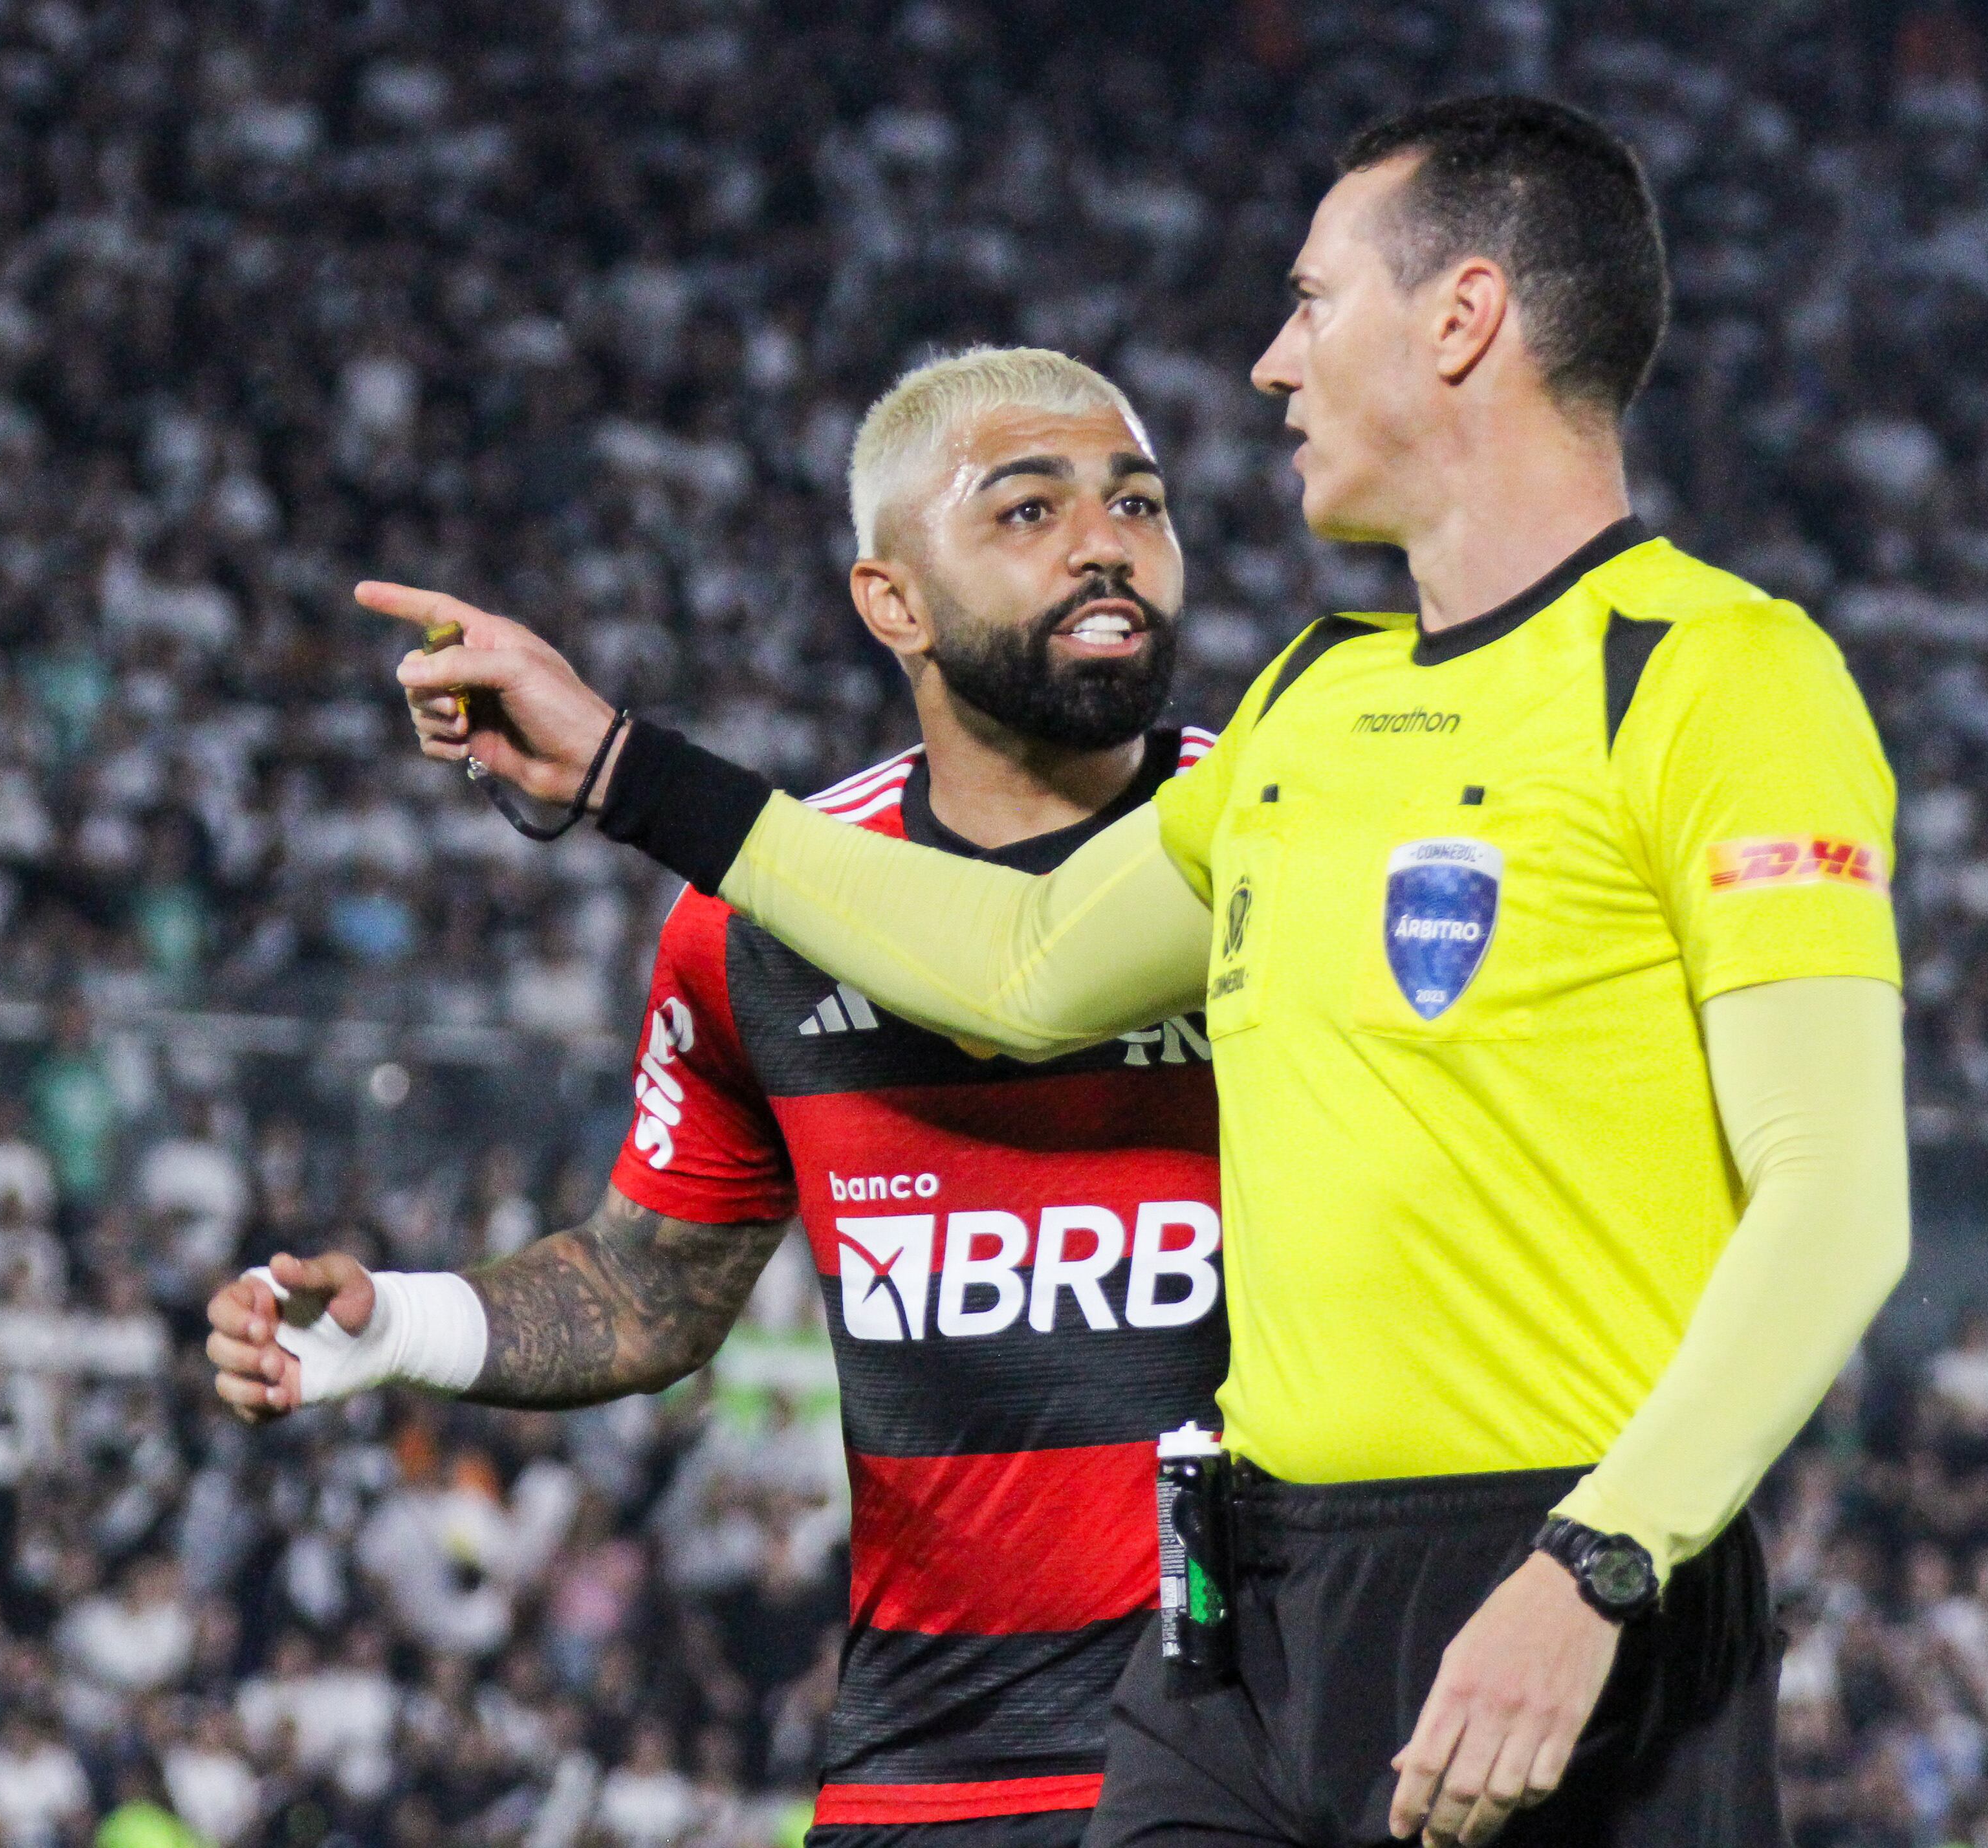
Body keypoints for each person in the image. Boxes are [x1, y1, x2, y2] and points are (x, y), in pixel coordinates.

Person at [371, 98, 1910, 1848]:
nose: (1269, 364)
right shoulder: (1312, 705)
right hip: (1247, 1612)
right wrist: (625, 772)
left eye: (1312, 302)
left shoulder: (1719, 680)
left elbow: (1835, 1203)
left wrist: (1594, 1566)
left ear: (1462, 319)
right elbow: (1021, 962)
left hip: (1554, 1585)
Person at [210, 350, 1231, 1848]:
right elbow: (649, 1289)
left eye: (1137, 501)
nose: (1103, 540)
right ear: (890, 603)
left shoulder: (1285, 841)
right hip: (929, 1766)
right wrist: (397, 1330)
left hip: (1270, 1752)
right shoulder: (752, 922)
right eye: (1026, 510)